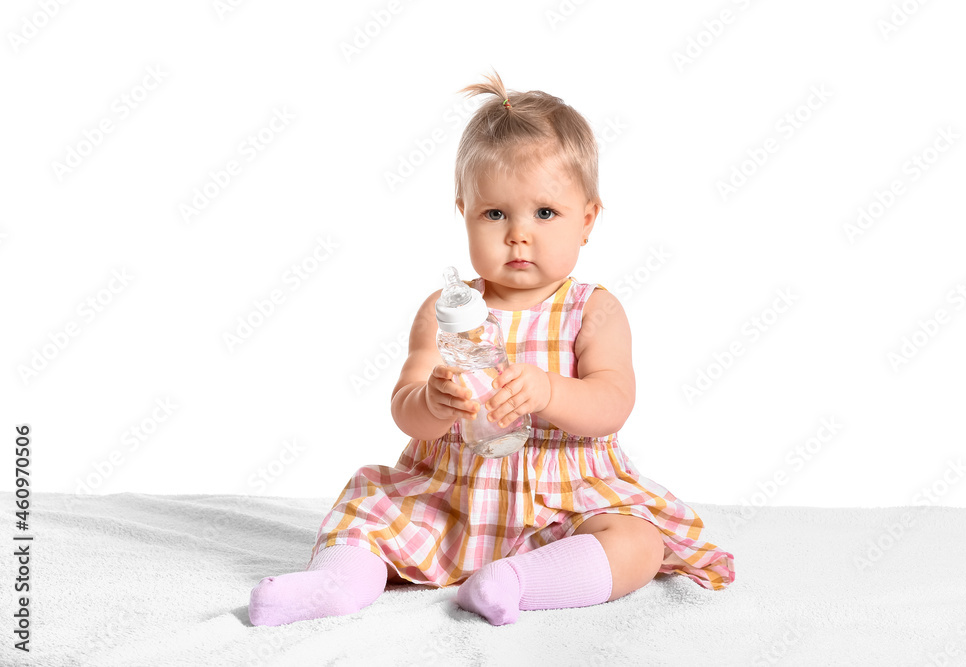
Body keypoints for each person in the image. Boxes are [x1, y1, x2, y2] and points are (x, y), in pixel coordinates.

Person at [248, 69, 735, 628]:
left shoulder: (593, 310)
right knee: (368, 517)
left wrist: (549, 390)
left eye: (545, 213)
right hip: (451, 500)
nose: (518, 234)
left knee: (637, 543)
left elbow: (613, 401)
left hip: (567, 499)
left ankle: (517, 582)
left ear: (587, 220)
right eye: (495, 213)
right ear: (465, 213)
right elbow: (406, 403)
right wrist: (429, 403)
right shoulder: (445, 309)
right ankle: (333, 586)